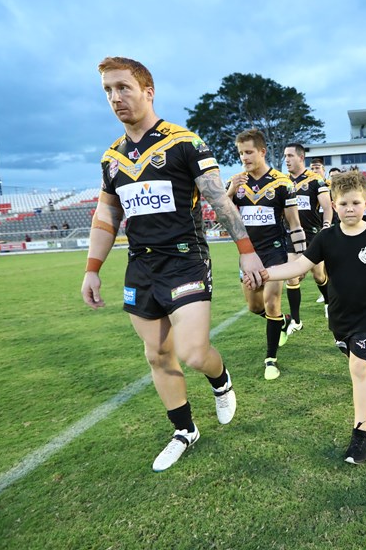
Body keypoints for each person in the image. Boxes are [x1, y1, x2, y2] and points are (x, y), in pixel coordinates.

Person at [81, 57, 264, 472]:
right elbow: (107, 217)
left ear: (148, 91)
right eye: (108, 90)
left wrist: (247, 250)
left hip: (186, 262)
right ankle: (184, 430)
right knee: (158, 355)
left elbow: (219, 199)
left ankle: (221, 381)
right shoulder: (112, 158)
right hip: (140, 268)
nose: (115, 98)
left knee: (194, 353)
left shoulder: (185, 142)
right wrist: (92, 268)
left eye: (123, 87)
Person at [244, 171, 366, 464]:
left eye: (356, 203)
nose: (350, 209)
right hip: (339, 319)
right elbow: (298, 268)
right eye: (344, 203)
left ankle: (361, 434)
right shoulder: (326, 238)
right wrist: (265, 273)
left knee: (360, 369)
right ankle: (358, 368)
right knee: (357, 364)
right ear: (334, 205)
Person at [227, 129, 304, 380]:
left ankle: (270, 359)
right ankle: (283, 321)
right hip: (248, 253)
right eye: (240, 153)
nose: (244, 158)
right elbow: (224, 216)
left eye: (248, 152)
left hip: (275, 252)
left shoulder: (282, 183)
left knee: (272, 302)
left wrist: (300, 258)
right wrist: (229, 192)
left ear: (262, 151)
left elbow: (294, 224)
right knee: (254, 306)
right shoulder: (237, 183)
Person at [282, 142, 333, 328]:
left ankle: (328, 302)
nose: (286, 160)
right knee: (292, 277)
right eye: (285, 156)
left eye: (290, 156)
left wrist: (326, 226)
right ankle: (296, 320)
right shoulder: (282, 181)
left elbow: (327, 207)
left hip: (312, 234)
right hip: (290, 235)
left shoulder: (315, 180)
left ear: (301, 157)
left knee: (319, 275)